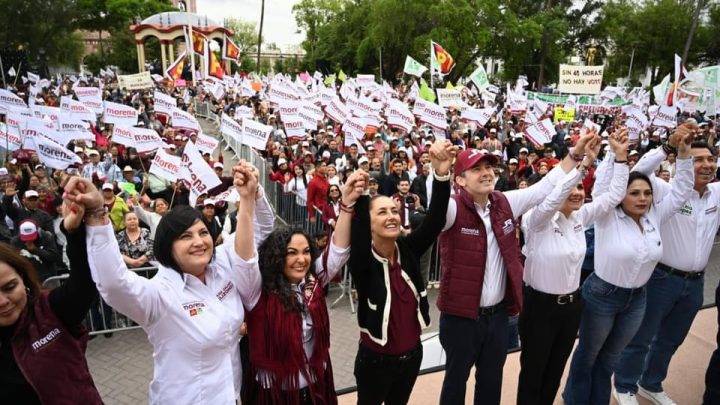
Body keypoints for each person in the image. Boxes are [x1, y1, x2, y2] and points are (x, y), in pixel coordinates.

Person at [81, 161, 274, 404]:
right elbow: (113, 284)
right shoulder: (160, 295)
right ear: (167, 247)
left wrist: (254, 193)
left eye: (203, 233)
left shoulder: (222, 263)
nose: (199, 242)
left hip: (230, 395)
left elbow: (263, 228)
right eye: (185, 236)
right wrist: (98, 216)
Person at [436, 133, 593, 405]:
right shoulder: (452, 208)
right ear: (460, 180)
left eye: (488, 167)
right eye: (476, 169)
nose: (486, 173)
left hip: (497, 317)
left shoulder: (504, 202)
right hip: (461, 318)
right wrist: (437, 174)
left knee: (491, 381)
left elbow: (545, 187)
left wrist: (575, 155)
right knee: (455, 383)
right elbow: (436, 209)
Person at [562, 128, 696, 405]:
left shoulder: (655, 216)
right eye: (634, 193)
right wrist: (616, 154)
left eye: (647, 193)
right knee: (588, 355)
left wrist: (683, 153)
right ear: (620, 196)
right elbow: (603, 187)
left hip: (637, 299)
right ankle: (575, 399)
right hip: (602, 295)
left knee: (609, 359)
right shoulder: (606, 214)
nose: (643, 198)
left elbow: (683, 191)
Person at [517, 129, 628, 405]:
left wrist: (620, 157)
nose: (578, 193)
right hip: (538, 308)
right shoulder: (536, 220)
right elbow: (553, 198)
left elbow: (614, 196)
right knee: (533, 372)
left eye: (581, 188)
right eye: (574, 187)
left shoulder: (580, 217)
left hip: (571, 307)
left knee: (555, 371)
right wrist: (582, 168)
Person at [614, 123, 718, 405]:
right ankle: (624, 385)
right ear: (683, 162)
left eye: (711, 159)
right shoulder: (663, 190)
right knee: (642, 337)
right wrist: (669, 147)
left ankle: (650, 383)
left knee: (671, 340)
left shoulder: (717, 195)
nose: (707, 165)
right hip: (662, 280)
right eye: (698, 160)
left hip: (696, 283)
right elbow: (638, 172)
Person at [244, 170, 365, 405]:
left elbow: (338, 251)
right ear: (276, 257)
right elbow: (247, 254)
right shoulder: (257, 290)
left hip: (314, 387)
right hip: (274, 394)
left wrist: (347, 204)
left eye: (306, 251)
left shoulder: (313, 280)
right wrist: (252, 197)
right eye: (292, 253)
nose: (302, 259)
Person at [349, 140, 454, 405]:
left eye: (394, 211)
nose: (392, 216)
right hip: (374, 362)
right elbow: (358, 234)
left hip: (411, 358)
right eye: (382, 212)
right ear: (369, 224)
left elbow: (436, 221)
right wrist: (361, 196)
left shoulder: (408, 249)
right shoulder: (363, 262)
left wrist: (441, 175)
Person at [0, 176, 103, 404]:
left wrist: (74, 232)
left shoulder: (49, 312)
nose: (3, 301)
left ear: (24, 280)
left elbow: (85, 281)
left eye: (9, 287)